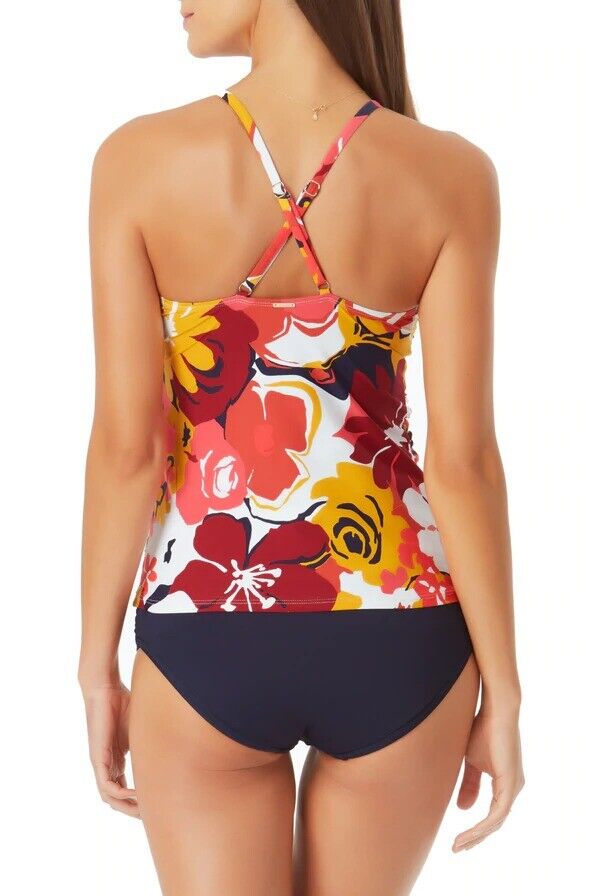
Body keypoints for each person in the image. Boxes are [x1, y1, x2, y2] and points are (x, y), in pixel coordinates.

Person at [78, 2, 524, 893]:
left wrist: (96, 669)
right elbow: (462, 464)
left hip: (205, 626)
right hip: (405, 631)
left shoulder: (137, 160)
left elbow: (129, 449)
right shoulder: (451, 172)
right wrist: (504, 693)